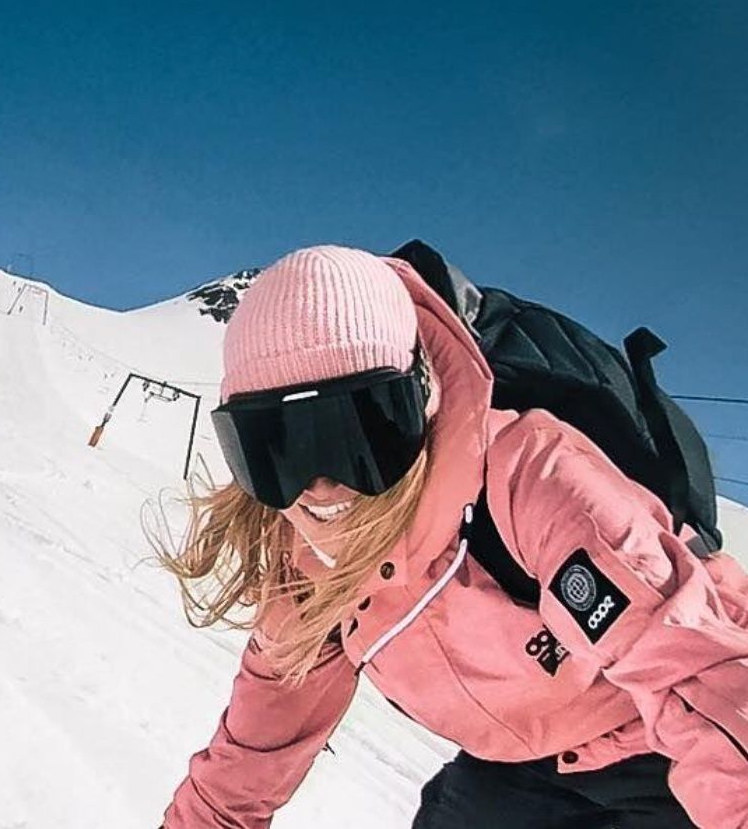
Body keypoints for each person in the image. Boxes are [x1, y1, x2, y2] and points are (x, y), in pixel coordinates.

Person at [154, 245, 748, 829]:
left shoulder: (531, 478)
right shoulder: (311, 571)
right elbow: (251, 759)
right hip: (519, 768)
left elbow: (693, 670)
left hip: (668, 746)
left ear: (422, 398)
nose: (322, 487)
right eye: (276, 451)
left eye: (356, 436)